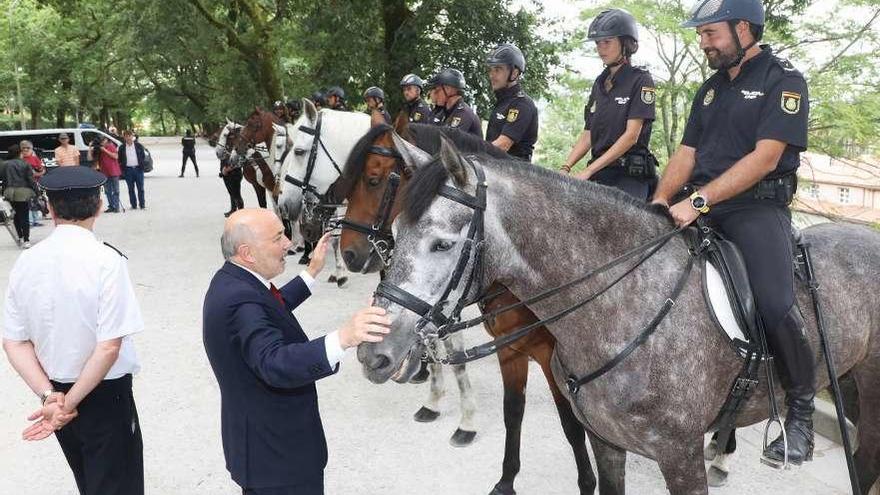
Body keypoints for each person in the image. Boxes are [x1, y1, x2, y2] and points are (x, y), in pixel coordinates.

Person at [651, 0, 813, 467]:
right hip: (698, 205)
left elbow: (765, 158)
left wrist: (697, 202)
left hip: (754, 209)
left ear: (744, 29)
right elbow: (685, 155)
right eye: (701, 35)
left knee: (773, 302)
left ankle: (798, 414)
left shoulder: (783, 80)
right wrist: (660, 201)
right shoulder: (710, 89)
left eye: (711, 34)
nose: (703, 43)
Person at [203, 209, 390, 494]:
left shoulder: (233, 281)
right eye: (278, 237)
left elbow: (270, 309)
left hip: (261, 449)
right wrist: (344, 337)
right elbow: (274, 363)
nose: (288, 243)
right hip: (279, 460)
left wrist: (311, 273)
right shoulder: (241, 302)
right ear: (248, 253)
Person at [2, 166, 144, 495]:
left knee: (88, 482)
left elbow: (14, 341)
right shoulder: (107, 261)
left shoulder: (27, 261)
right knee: (119, 486)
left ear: (50, 208)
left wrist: (52, 397)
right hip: (104, 394)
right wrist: (69, 404)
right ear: (99, 205)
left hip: (55, 392)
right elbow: (109, 347)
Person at [560, 9, 658, 201]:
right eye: (598, 43)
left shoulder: (641, 80)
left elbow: (631, 136)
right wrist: (566, 167)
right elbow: (588, 134)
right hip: (599, 171)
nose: (600, 48)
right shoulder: (599, 83)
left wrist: (588, 171)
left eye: (607, 42)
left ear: (626, 44)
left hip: (629, 175)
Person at [485, 43, 539, 161]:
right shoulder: (503, 102)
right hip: (497, 169)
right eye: (491, 70)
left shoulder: (522, 104)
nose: (492, 75)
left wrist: (474, 153)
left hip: (516, 175)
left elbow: (503, 145)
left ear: (514, 73)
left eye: (498, 69)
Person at [426, 68, 483, 138]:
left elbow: (446, 142)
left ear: (448, 90)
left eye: (437, 90)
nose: (435, 94)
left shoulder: (464, 113)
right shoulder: (443, 112)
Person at [2, 144, 36, 248]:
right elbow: (30, 179)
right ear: (19, 153)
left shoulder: (4, 164)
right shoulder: (25, 164)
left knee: (16, 215)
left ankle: (20, 237)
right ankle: (26, 239)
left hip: (9, 191)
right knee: (24, 215)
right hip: (23, 191)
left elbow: (3, 179)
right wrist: (36, 191)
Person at [90, 136, 121, 213]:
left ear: (106, 140)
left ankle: (116, 207)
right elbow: (92, 159)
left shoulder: (111, 146)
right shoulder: (99, 149)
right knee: (107, 191)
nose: (101, 143)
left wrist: (104, 150)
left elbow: (116, 156)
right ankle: (111, 206)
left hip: (114, 172)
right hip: (104, 173)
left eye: (102, 141)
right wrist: (90, 148)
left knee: (116, 190)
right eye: (100, 142)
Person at [117, 130, 146, 210]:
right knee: (130, 189)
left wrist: (141, 165)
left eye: (130, 136)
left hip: (138, 169)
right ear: (124, 137)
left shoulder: (138, 145)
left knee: (140, 188)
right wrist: (123, 168)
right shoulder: (122, 147)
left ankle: (142, 204)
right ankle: (133, 205)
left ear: (132, 136)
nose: (128, 137)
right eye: (126, 136)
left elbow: (142, 156)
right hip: (128, 170)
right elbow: (119, 159)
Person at [20, 140, 46, 226]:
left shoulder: (35, 158)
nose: (26, 150)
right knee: (27, 203)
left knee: (35, 202)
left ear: (31, 149)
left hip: (35, 183)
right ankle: (30, 221)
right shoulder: (20, 160)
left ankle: (36, 220)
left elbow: (42, 170)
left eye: (28, 148)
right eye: (24, 148)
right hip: (25, 185)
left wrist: (37, 173)